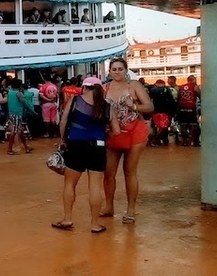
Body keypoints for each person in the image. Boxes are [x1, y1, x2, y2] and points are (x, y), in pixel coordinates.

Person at [52, 77, 119, 233]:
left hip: (76, 145)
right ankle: (95, 224)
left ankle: (67, 219)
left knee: (70, 184)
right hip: (98, 146)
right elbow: (116, 130)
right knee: (95, 187)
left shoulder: (75, 100)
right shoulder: (106, 105)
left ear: (84, 87)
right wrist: (104, 134)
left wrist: (63, 140)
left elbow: (63, 122)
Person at [100, 58, 154, 223]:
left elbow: (149, 107)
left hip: (135, 132)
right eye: (114, 69)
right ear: (109, 71)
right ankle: (109, 206)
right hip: (113, 133)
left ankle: (131, 209)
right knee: (108, 173)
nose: (117, 72)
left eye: (120, 69)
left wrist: (134, 106)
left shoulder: (134, 86)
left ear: (126, 70)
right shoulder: (104, 88)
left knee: (129, 171)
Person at [1, 79, 34, 155]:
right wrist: (32, 111)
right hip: (17, 114)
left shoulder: (10, 93)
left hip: (11, 113)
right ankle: (10, 149)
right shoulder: (19, 94)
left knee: (20, 130)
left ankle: (26, 147)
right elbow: (25, 103)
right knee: (15, 131)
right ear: (20, 86)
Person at [176, 75, 201, 146]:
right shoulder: (195, 87)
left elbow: (178, 98)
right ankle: (192, 141)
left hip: (182, 109)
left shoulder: (180, 87)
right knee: (193, 125)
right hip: (191, 109)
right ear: (193, 80)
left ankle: (184, 141)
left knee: (183, 125)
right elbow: (200, 95)